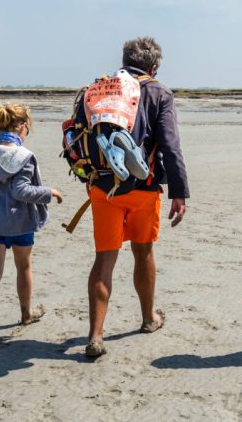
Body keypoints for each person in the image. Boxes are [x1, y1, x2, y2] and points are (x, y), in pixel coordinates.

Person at [85, 37, 189, 358]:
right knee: (143, 252)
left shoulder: (98, 88)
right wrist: (179, 192)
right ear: (153, 67)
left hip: (102, 187)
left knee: (105, 258)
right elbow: (170, 146)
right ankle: (148, 318)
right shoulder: (159, 92)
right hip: (143, 190)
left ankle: (95, 336)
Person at [0, 104, 63, 345]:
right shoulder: (25, 156)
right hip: (19, 223)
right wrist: (49, 192)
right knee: (24, 267)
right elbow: (21, 191)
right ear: (21, 127)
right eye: (28, 127)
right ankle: (26, 313)